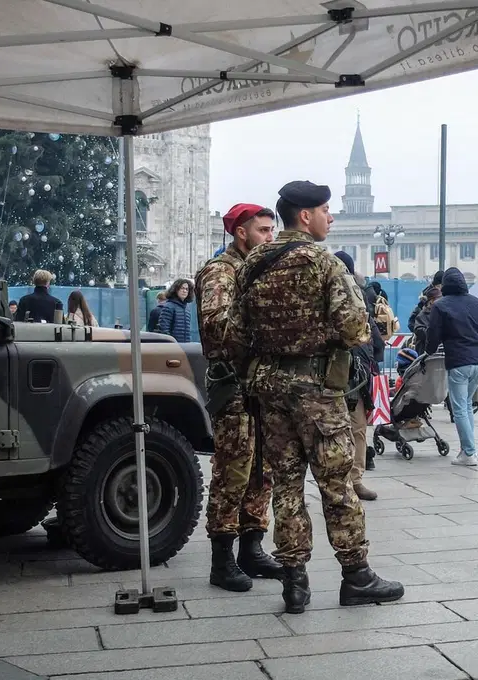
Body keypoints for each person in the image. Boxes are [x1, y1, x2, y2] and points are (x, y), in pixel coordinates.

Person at [232, 180, 403, 614]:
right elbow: (353, 329)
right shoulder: (323, 262)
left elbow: (234, 330)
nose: (331, 217)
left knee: (286, 486)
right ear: (305, 216)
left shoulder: (252, 262)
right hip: (317, 392)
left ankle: (294, 582)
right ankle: (356, 575)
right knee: (337, 484)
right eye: (326, 210)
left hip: (269, 392)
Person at [193, 202, 284, 593]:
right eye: (263, 230)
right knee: (233, 470)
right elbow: (217, 327)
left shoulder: (257, 271)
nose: (270, 237)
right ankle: (222, 559)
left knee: (261, 469)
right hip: (233, 385)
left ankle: (252, 547)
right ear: (240, 233)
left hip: (260, 385)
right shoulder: (221, 272)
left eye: (271, 230)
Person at [424, 267, 478, 466]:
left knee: (459, 408)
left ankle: (469, 453)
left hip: (459, 360)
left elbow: (433, 334)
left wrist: (429, 350)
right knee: (467, 405)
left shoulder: (441, 305)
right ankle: (467, 449)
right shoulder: (476, 302)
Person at [335, 250, 382, 501]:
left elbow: (370, 331)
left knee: (357, 428)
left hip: (357, 372)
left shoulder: (360, 295)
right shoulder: (326, 291)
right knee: (340, 430)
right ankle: (340, 481)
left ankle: (355, 479)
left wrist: (371, 361)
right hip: (335, 373)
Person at [156, 278, 194, 342]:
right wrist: (170, 345)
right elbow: (164, 329)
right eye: (182, 288)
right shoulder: (169, 306)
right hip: (173, 347)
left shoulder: (187, 308)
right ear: (175, 290)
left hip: (185, 347)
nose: (184, 291)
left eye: (187, 289)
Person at [411, 287, 441, 352]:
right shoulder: (422, 315)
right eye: (439, 299)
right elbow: (419, 331)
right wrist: (434, 332)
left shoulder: (441, 313)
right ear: (431, 301)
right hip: (425, 352)